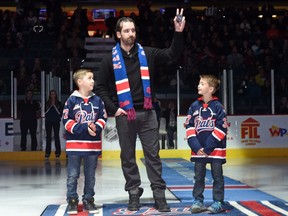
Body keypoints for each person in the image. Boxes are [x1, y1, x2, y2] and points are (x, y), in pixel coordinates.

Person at [95, 8, 185, 212]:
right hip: (124, 115)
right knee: (127, 157)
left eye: (133, 30)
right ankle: (133, 193)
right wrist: (114, 109)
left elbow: (172, 54)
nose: (131, 34)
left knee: (153, 156)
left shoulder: (149, 53)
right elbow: (99, 87)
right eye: (126, 31)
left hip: (148, 113)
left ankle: (159, 194)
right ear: (118, 34)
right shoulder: (110, 59)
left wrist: (178, 32)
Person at [62, 68, 107, 214]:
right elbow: (66, 121)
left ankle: (88, 199)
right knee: (73, 175)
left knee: (90, 176)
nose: (93, 81)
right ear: (80, 82)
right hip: (75, 145)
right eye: (89, 78)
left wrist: (96, 127)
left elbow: (103, 117)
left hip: (92, 146)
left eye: (93, 78)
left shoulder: (98, 100)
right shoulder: (71, 100)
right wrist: (84, 128)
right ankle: (72, 201)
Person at [185, 74, 228, 214]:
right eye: (199, 83)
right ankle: (198, 201)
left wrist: (208, 148)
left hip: (215, 150)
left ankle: (218, 202)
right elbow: (189, 128)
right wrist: (197, 147)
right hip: (199, 152)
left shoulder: (218, 107)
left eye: (202, 83)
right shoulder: (193, 106)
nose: (199, 85)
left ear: (211, 88)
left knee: (217, 177)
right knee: (198, 177)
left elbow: (222, 128)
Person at [44, 89, 63, 159]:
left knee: (56, 136)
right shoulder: (47, 103)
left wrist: (54, 105)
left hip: (56, 121)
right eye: (51, 94)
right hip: (48, 121)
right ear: (50, 95)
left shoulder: (59, 103)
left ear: (56, 95)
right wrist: (50, 106)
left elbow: (60, 113)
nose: (53, 95)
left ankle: (58, 152)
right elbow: (45, 112)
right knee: (48, 137)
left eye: (54, 94)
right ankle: (47, 153)